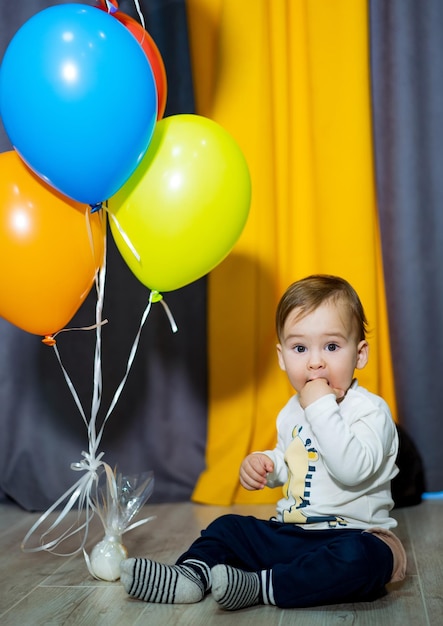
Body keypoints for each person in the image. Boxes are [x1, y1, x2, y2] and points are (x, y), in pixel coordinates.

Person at [120, 274, 406, 610]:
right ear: (283, 357)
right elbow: (295, 459)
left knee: (367, 559)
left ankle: (261, 585)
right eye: (300, 348)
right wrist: (268, 466)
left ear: (359, 355)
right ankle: (191, 575)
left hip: (353, 535)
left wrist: (320, 406)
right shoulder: (291, 412)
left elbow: (351, 471)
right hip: (293, 533)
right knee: (229, 527)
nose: (315, 362)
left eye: (331, 346)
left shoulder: (370, 411)